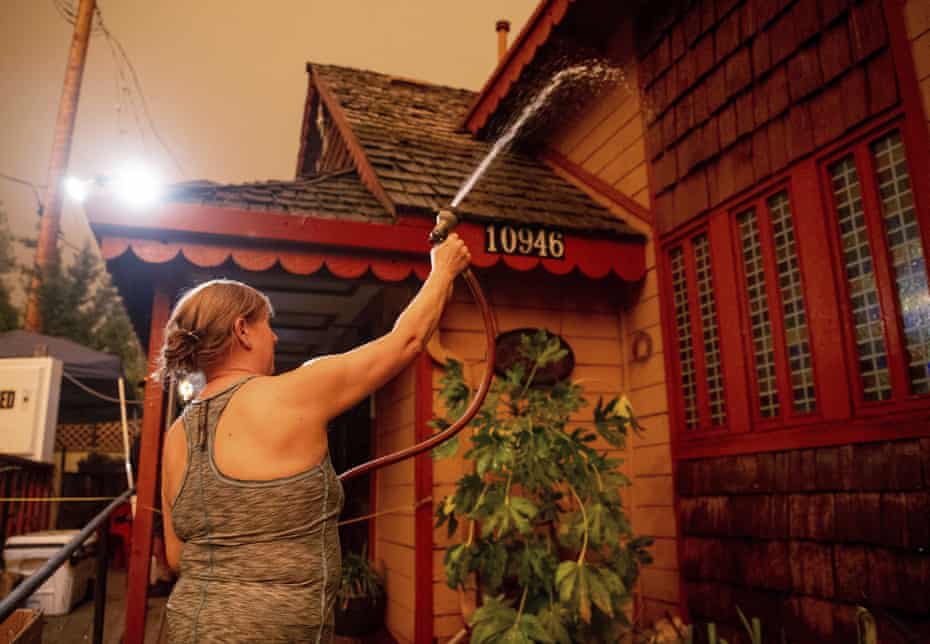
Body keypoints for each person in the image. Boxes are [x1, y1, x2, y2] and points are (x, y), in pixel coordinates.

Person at [157, 234, 471, 643]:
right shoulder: (293, 392)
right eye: (267, 326)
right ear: (243, 331)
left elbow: (178, 557)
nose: (275, 338)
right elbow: (407, 341)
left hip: (188, 629)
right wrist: (444, 270)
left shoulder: (176, 436)